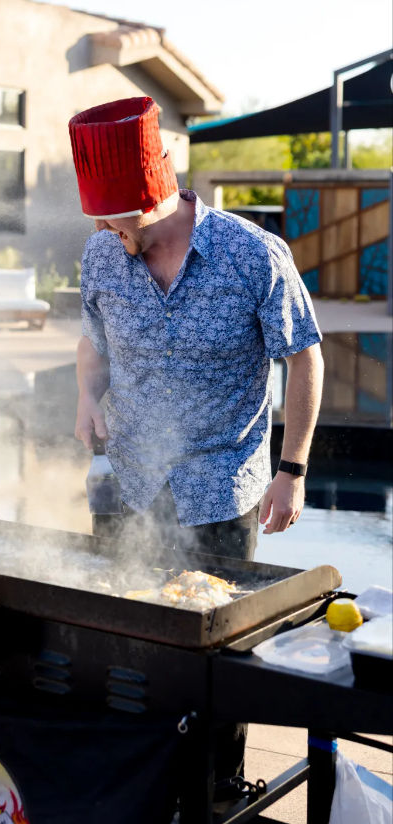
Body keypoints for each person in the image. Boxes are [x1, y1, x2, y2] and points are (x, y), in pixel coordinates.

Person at [69, 97, 323, 791]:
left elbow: (304, 355)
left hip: (221, 488)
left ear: (155, 196)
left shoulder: (250, 253)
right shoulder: (101, 251)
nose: (106, 229)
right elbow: (91, 342)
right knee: (122, 647)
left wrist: (293, 470)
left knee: (214, 660)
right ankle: (133, 791)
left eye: (118, 215)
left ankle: (214, 791)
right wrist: (87, 398)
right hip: (128, 484)